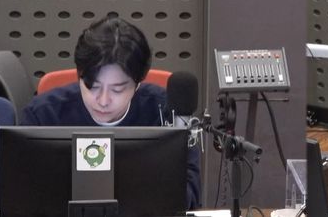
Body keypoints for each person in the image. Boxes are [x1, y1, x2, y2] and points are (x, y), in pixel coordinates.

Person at [22, 15, 201, 210]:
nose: (103, 101)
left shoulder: (167, 113)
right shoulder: (42, 115)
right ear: (79, 75)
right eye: (92, 86)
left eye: (117, 90)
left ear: (138, 83)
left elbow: (190, 195)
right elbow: (21, 193)